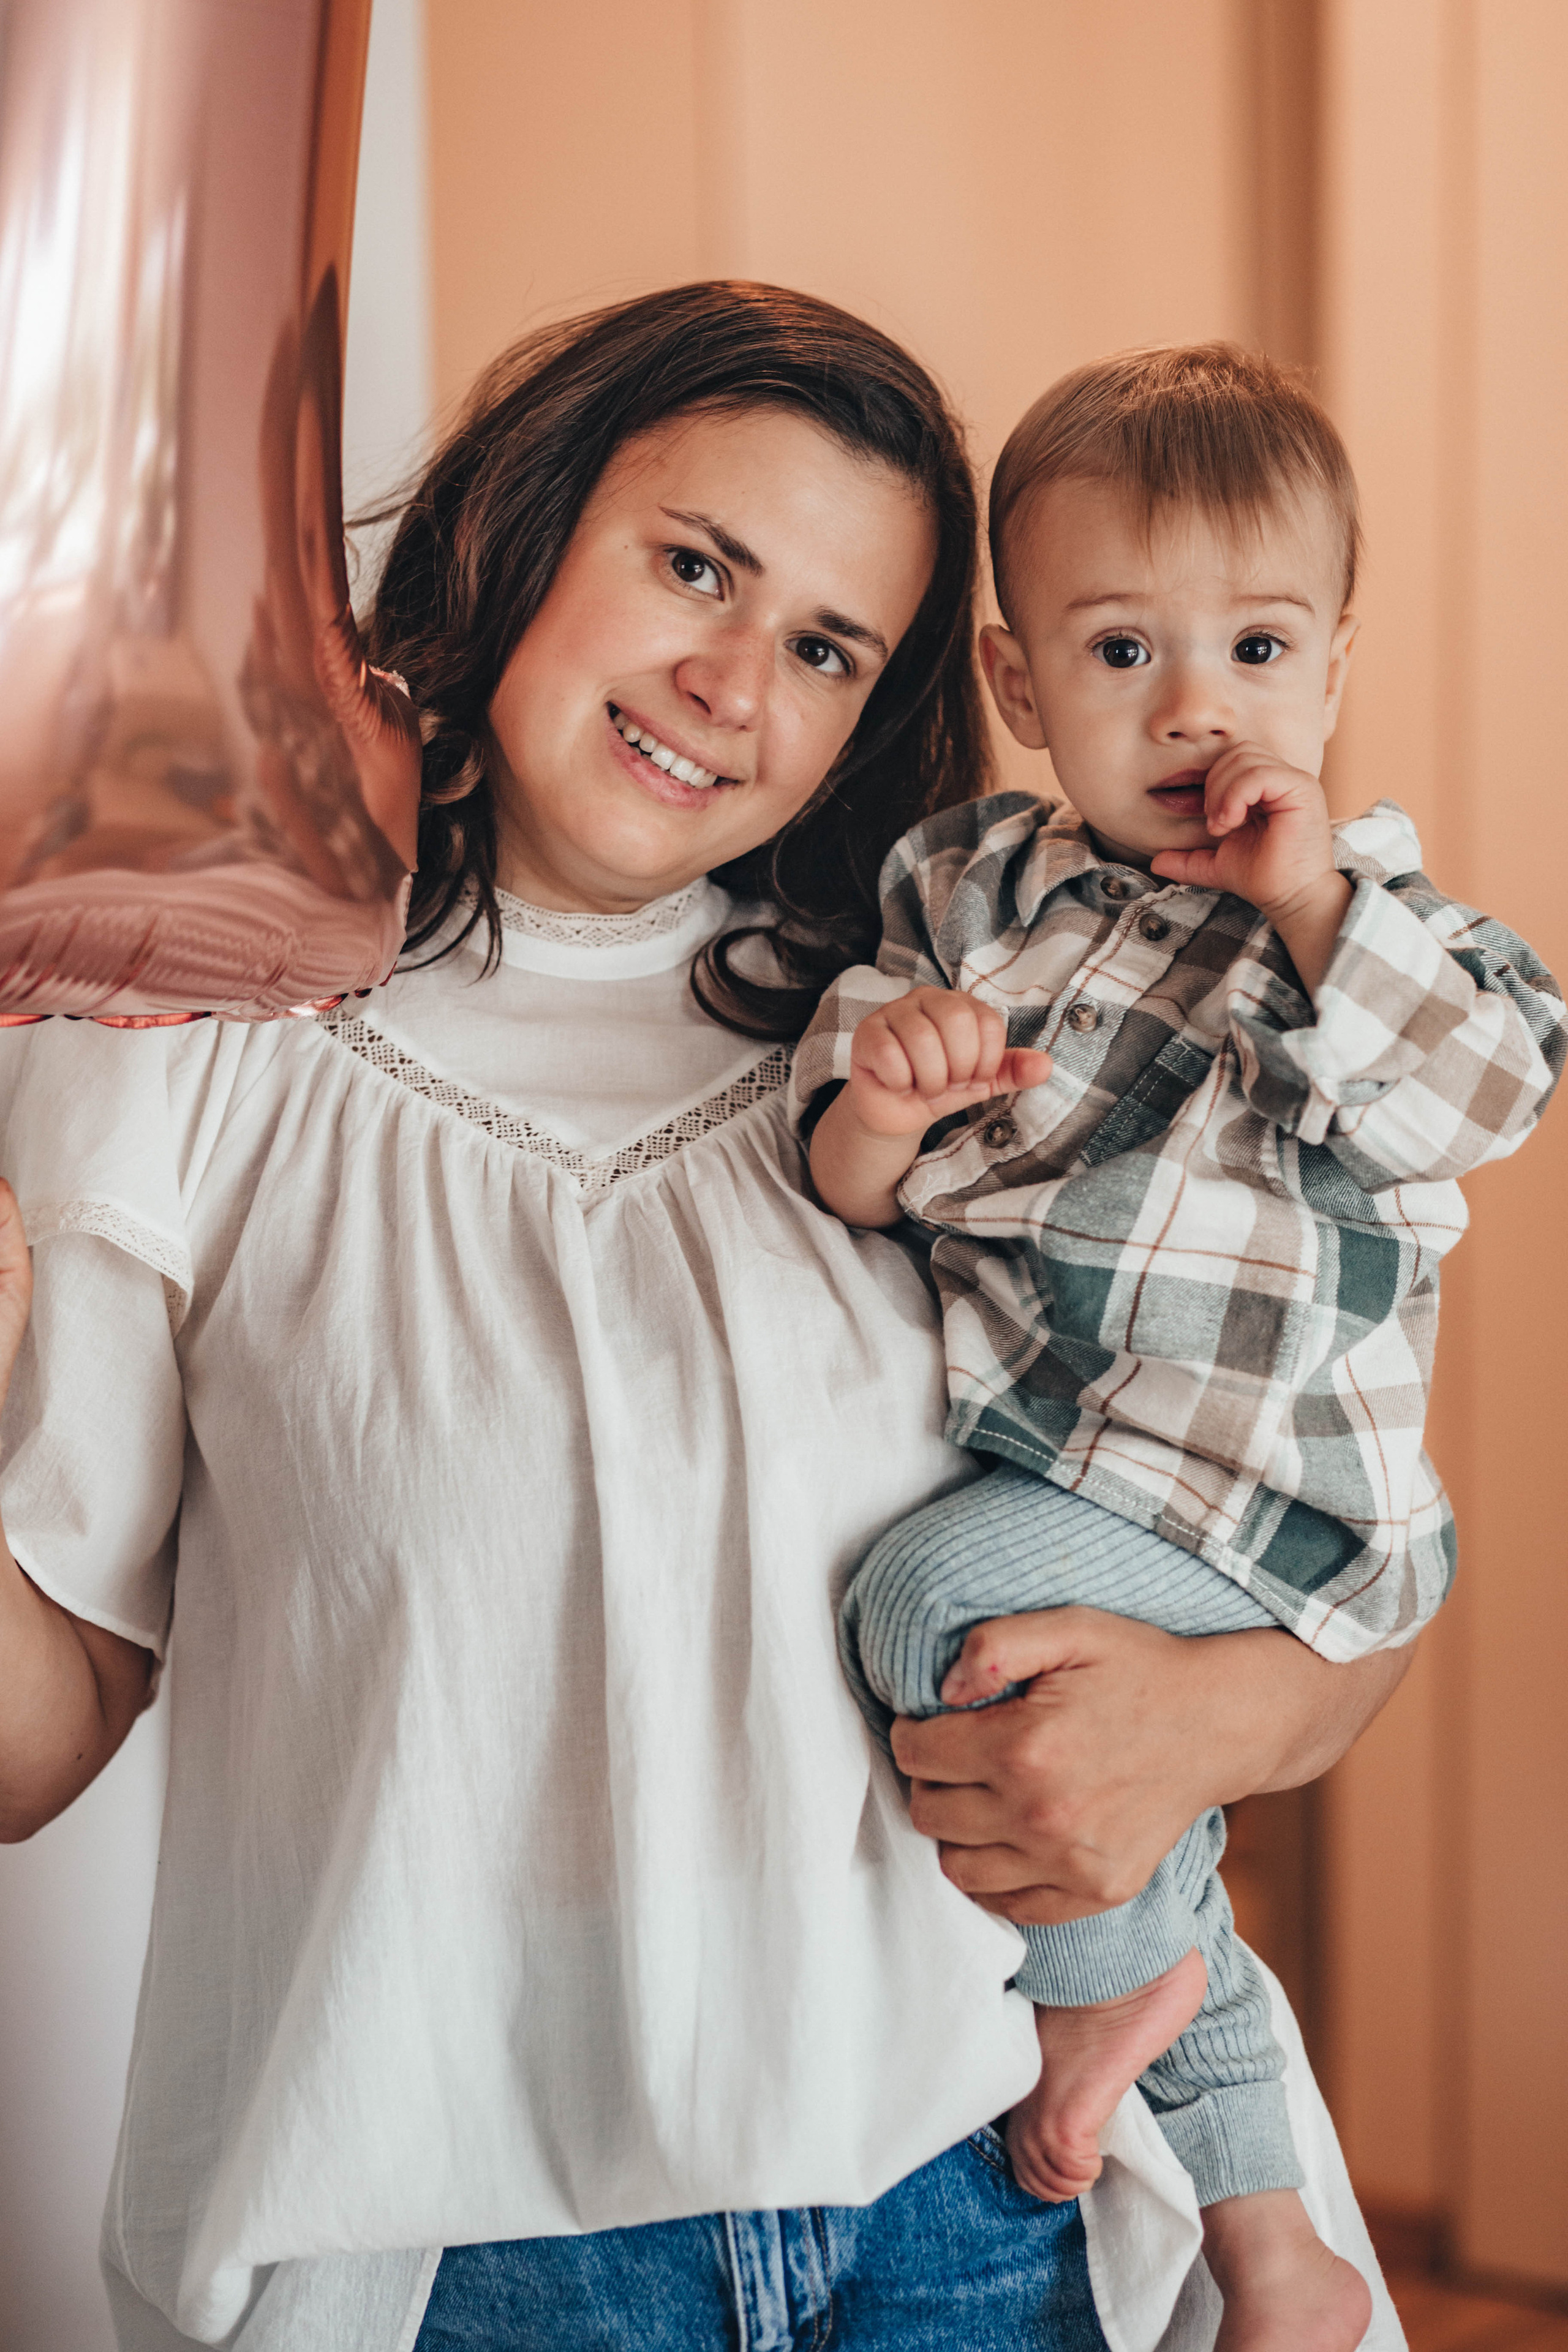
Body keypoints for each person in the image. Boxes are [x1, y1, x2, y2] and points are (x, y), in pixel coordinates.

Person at [0, 290, 1411, 2352]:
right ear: (528, 522)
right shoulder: (205, 1034)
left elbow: (1308, 1535)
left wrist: (1231, 1717)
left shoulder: (952, 1048)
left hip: (980, 2214)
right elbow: (40, 1739)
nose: (734, 684)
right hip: (466, 2272)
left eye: (829, 648)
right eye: (694, 566)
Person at [802, 344, 1567, 2352]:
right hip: (1079, 1460)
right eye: (1123, 649)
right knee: (1022, 1697)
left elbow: (1483, 1093)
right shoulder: (968, 889)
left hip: (1265, 1493)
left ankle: (1112, 2025)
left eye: (1255, 646)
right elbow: (853, 1170)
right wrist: (888, 1100)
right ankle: (1268, 2237)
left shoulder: (1369, 922)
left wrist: (1316, 901)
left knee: (934, 1598)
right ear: (1017, 673)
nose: (1195, 708)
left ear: (1328, 674)